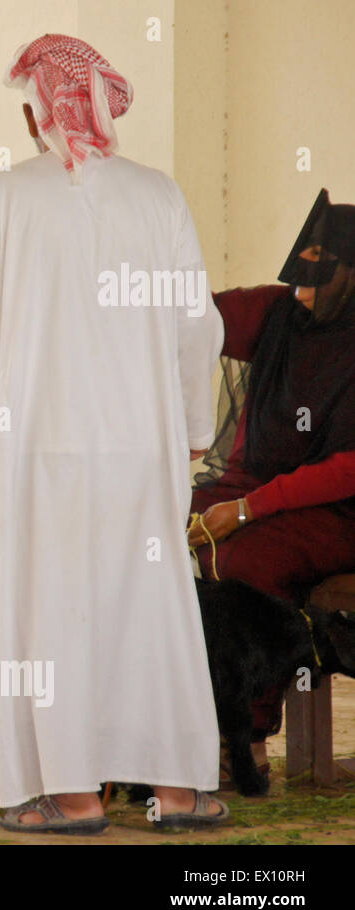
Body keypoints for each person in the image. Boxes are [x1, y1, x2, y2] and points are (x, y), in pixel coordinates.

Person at [0, 34, 228, 832]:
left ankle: (72, 795)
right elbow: (197, 326)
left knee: (49, 613)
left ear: (38, 114)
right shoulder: (159, 197)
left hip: (40, 454)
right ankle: (180, 791)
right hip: (142, 449)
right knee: (152, 608)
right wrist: (195, 429)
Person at [188, 189, 355, 774]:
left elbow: (347, 468)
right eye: (296, 281)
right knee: (153, 526)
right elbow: (198, 317)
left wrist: (248, 510)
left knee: (245, 563)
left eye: (314, 284)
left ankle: (245, 738)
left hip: (338, 511)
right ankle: (166, 721)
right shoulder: (281, 312)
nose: (300, 295)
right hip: (254, 487)